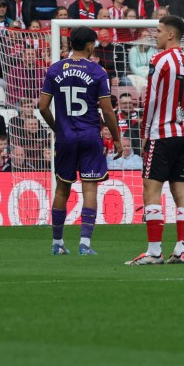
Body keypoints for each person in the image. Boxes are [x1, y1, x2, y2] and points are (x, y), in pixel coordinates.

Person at [39, 27, 122, 255]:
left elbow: (42, 106)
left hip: (66, 138)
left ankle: (57, 244)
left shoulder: (55, 69)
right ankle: (85, 244)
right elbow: (107, 111)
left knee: (62, 190)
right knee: (90, 190)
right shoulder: (97, 71)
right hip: (90, 137)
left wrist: (57, 128)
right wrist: (117, 139)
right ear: (89, 46)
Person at [126, 16, 184, 265]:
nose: (154, 35)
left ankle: (154, 251)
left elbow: (151, 99)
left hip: (162, 133)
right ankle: (181, 249)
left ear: (170, 34)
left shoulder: (159, 60)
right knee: (181, 190)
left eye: (158, 31)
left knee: (151, 189)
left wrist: (145, 133)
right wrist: (183, 124)